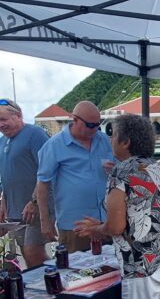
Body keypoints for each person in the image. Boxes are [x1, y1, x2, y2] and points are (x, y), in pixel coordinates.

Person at [75, 114, 160, 299]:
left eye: (114, 135)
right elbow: (148, 211)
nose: (110, 139)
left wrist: (97, 228)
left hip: (146, 262)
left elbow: (116, 227)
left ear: (126, 142)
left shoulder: (120, 172)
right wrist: (103, 224)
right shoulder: (154, 166)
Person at [36, 101, 113, 253]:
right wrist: (45, 221)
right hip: (75, 226)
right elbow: (43, 184)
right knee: (75, 266)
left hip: (105, 222)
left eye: (98, 125)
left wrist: (115, 169)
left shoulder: (105, 140)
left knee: (111, 264)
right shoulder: (54, 145)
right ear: (75, 119)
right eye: (90, 125)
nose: (95, 129)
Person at [0, 98, 49, 268]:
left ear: (19, 115)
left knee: (33, 252)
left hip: (36, 207)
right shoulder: (2, 141)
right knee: (27, 255)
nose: (0, 125)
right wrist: (3, 203)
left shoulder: (35, 134)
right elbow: (7, 177)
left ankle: (54, 280)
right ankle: (44, 282)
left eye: (3, 119)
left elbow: (47, 170)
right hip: (15, 209)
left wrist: (35, 201)